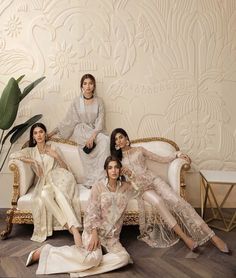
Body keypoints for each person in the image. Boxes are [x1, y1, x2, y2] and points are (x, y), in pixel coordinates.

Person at [110, 128, 231, 254]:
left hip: (153, 179)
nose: (119, 141)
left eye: (121, 137)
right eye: (116, 139)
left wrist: (177, 154)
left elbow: (161, 159)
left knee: (178, 201)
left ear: (126, 138)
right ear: (114, 144)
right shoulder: (117, 161)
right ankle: (186, 238)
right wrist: (129, 174)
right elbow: (119, 180)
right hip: (141, 187)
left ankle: (213, 237)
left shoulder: (139, 150)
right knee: (158, 202)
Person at [25, 156, 137, 277]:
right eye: (110, 168)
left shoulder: (126, 187)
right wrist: (94, 233)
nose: (113, 170)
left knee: (124, 258)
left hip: (112, 238)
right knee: (93, 259)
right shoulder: (98, 187)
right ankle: (46, 251)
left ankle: (80, 266)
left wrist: (130, 173)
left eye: (116, 167)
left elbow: (141, 186)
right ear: (106, 171)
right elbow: (91, 211)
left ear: (120, 170)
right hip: (94, 231)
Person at [10, 123, 82, 245]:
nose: (39, 135)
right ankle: (69, 226)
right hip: (46, 182)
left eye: (41, 132)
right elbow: (13, 155)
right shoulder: (31, 151)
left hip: (61, 178)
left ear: (45, 134)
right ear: (33, 136)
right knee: (43, 195)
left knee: (59, 196)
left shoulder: (53, 147)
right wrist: (32, 160)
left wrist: (57, 156)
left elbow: (66, 169)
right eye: (35, 133)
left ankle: (74, 231)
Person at [48, 73, 110, 188]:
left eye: (90, 83)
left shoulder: (99, 101)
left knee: (106, 140)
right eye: (85, 83)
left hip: (95, 131)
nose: (88, 86)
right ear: (81, 86)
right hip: (81, 132)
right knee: (87, 153)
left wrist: (93, 136)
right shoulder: (76, 102)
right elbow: (68, 121)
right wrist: (51, 133)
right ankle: (91, 180)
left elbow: (100, 121)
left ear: (94, 86)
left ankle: (101, 179)